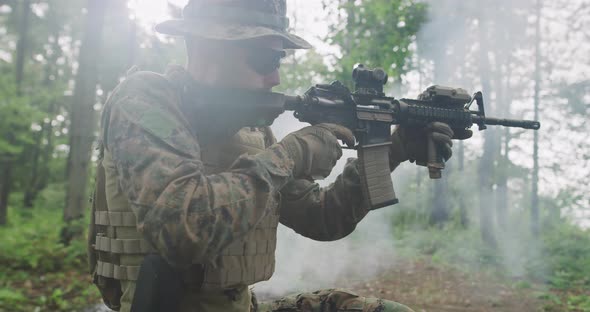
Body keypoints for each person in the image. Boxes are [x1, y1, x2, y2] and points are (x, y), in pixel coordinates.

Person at [87, 0, 468, 311]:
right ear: (209, 47)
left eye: (279, 61)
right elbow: (182, 229)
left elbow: (323, 218)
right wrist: (293, 153)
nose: (276, 79)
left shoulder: (252, 132)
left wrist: (395, 150)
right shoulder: (145, 100)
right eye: (267, 60)